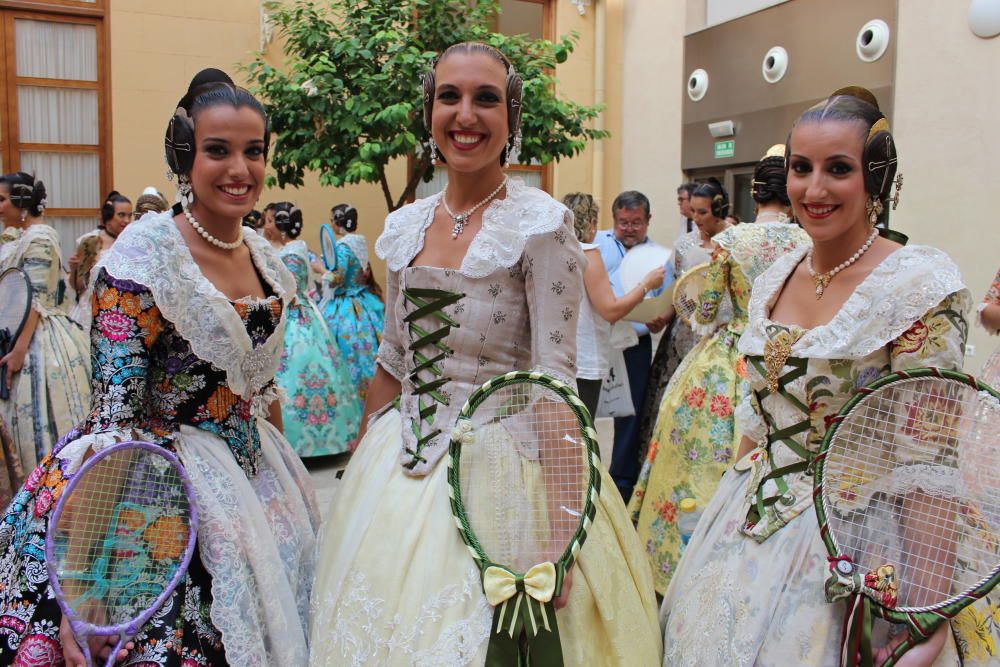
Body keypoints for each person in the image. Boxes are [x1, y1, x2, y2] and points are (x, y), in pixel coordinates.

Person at [309, 42, 661, 665]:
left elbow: (553, 379)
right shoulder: (406, 223)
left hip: (505, 469)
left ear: (511, 118)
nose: (465, 115)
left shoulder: (542, 222)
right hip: (399, 463)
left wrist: (560, 533)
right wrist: (364, 453)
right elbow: (393, 358)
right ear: (429, 111)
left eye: (485, 99)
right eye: (450, 97)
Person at [660, 87, 996, 665]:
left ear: (877, 177)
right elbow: (756, 426)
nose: (814, 190)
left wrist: (924, 609)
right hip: (745, 528)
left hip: (859, 544)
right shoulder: (775, 276)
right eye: (801, 168)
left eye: (838, 169)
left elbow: (929, 468)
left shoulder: (917, 285)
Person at [0, 68, 319, 666]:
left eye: (253, 152)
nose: (239, 170)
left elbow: (259, 390)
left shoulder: (263, 257)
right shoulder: (143, 258)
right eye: (217, 151)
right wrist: (84, 592)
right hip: (160, 487)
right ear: (184, 156)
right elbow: (113, 422)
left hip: (261, 478)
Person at [629, 163, 808, 595]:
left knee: (688, 449)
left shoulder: (732, 240)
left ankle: (677, 554)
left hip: (729, 355)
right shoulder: (806, 241)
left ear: (755, 192)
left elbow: (706, 311)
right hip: (786, 356)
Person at [0, 172, 91, 469]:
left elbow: (35, 301)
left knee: (44, 418)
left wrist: (19, 350)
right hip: (13, 330)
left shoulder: (41, 236)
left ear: (22, 203)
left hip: (38, 337)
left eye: (2, 200)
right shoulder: (19, 237)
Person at [264, 200, 362, 455]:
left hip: (291, 314)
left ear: (280, 227)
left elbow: (291, 285)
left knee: (294, 370)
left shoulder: (291, 253)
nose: (265, 226)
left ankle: (300, 441)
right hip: (306, 313)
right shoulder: (299, 250)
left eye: (269, 221)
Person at [593, 190, 673, 500]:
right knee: (587, 405)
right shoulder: (596, 244)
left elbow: (670, 297)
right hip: (598, 339)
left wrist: (662, 317)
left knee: (630, 414)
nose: (629, 229)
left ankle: (621, 482)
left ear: (648, 221)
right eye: (623, 222)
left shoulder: (661, 256)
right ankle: (586, 471)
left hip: (635, 344)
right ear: (613, 220)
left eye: (636, 222)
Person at [563, 192, 665, 418]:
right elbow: (610, 310)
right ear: (592, 223)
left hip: (560, 354)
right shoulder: (588, 253)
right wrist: (646, 285)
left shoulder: (556, 251)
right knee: (580, 433)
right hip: (585, 357)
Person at [317, 203, 386, 414]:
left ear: (338, 222)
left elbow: (337, 277)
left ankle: (349, 404)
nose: (331, 223)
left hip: (346, 308)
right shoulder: (360, 243)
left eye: (332, 219)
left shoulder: (344, 246)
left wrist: (320, 270)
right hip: (362, 304)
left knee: (342, 355)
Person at [68, 190, 133, 331]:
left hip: (123, 311)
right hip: (92, 310)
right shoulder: (91, 242)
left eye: (129, 215)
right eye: (121, 215)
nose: (126, 221)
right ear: (108, 217)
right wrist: (74, 270)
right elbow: (79, 286)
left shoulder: (133, 244)